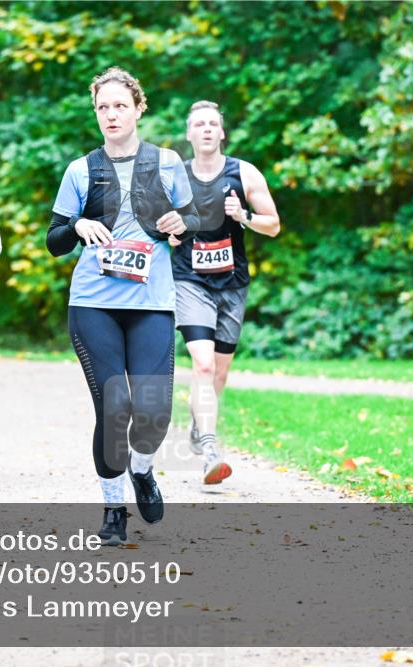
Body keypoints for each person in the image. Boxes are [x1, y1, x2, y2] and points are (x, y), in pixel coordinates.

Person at [46, 67, 200, 545]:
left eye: (119, 105)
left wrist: (181, 223)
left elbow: (193, 222)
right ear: (96, 114)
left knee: (153, 415)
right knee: (115, 409)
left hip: (152, 303)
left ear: (138, 108)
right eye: (102, 107)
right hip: (93, 302)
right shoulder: (81, 170)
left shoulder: (168, 163)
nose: (110, 114)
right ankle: (113, 509)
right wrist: (76, 227)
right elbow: (53, 239)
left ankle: (142, 469)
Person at [172, 101, 280, 484]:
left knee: (218, 373)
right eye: (198, 124)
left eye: (212, 124)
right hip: (190, 280)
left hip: (232, 284)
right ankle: (211, 449)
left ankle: (198, 423)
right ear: (189, 134)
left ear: (221, 133)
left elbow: (274, 225)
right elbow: (158, 225)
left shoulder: (244, 173)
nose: (205, 129)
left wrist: (243, 217)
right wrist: (171, 230)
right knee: (201, 365)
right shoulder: (176, 176)